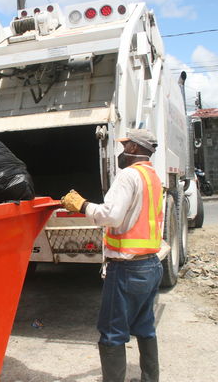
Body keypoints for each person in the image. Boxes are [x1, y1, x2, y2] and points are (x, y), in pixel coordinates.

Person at [61, 129, 164, 382]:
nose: (121, 150)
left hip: (127, 268)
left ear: (132, 149)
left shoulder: (129, 175)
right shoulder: (152, 176)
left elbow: (112, 216)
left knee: (112, 334)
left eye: (124, 145)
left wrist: (82, 205)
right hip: (151, 265)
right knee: (145, 328)